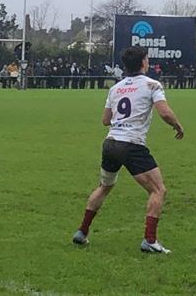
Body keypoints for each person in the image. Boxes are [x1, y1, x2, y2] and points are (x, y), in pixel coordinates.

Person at [71, 45, 185, 253]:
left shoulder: (115, 88)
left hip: (111, 143)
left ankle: (82, 232)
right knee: (158, 190)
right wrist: (177, 125)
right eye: (147, 59)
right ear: (143, 62)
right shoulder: (152, 85)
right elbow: (165, 113)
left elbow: (106, 120)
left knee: (104, 186)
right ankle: (150, 241)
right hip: (131, 145)